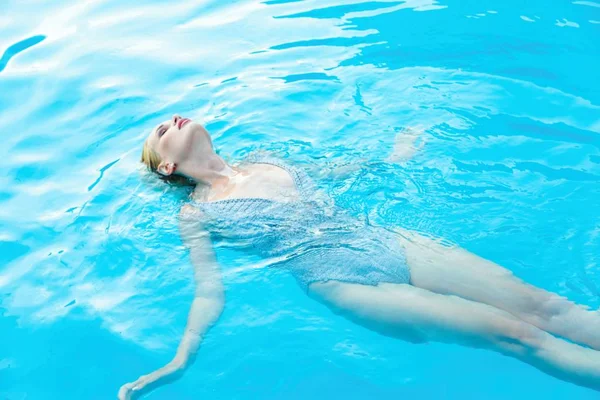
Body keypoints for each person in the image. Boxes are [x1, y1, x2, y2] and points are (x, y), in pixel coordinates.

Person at [118, 115, 600, 399]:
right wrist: (183, 356)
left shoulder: (267, 156)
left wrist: (397, 154)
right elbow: (209, 287)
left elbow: (343, 171)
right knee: (514, 334)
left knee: (545, 306)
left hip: (382, 238)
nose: (173, 121)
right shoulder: (196, 215)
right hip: (339, 278)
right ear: (169, 166)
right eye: (162, 131)